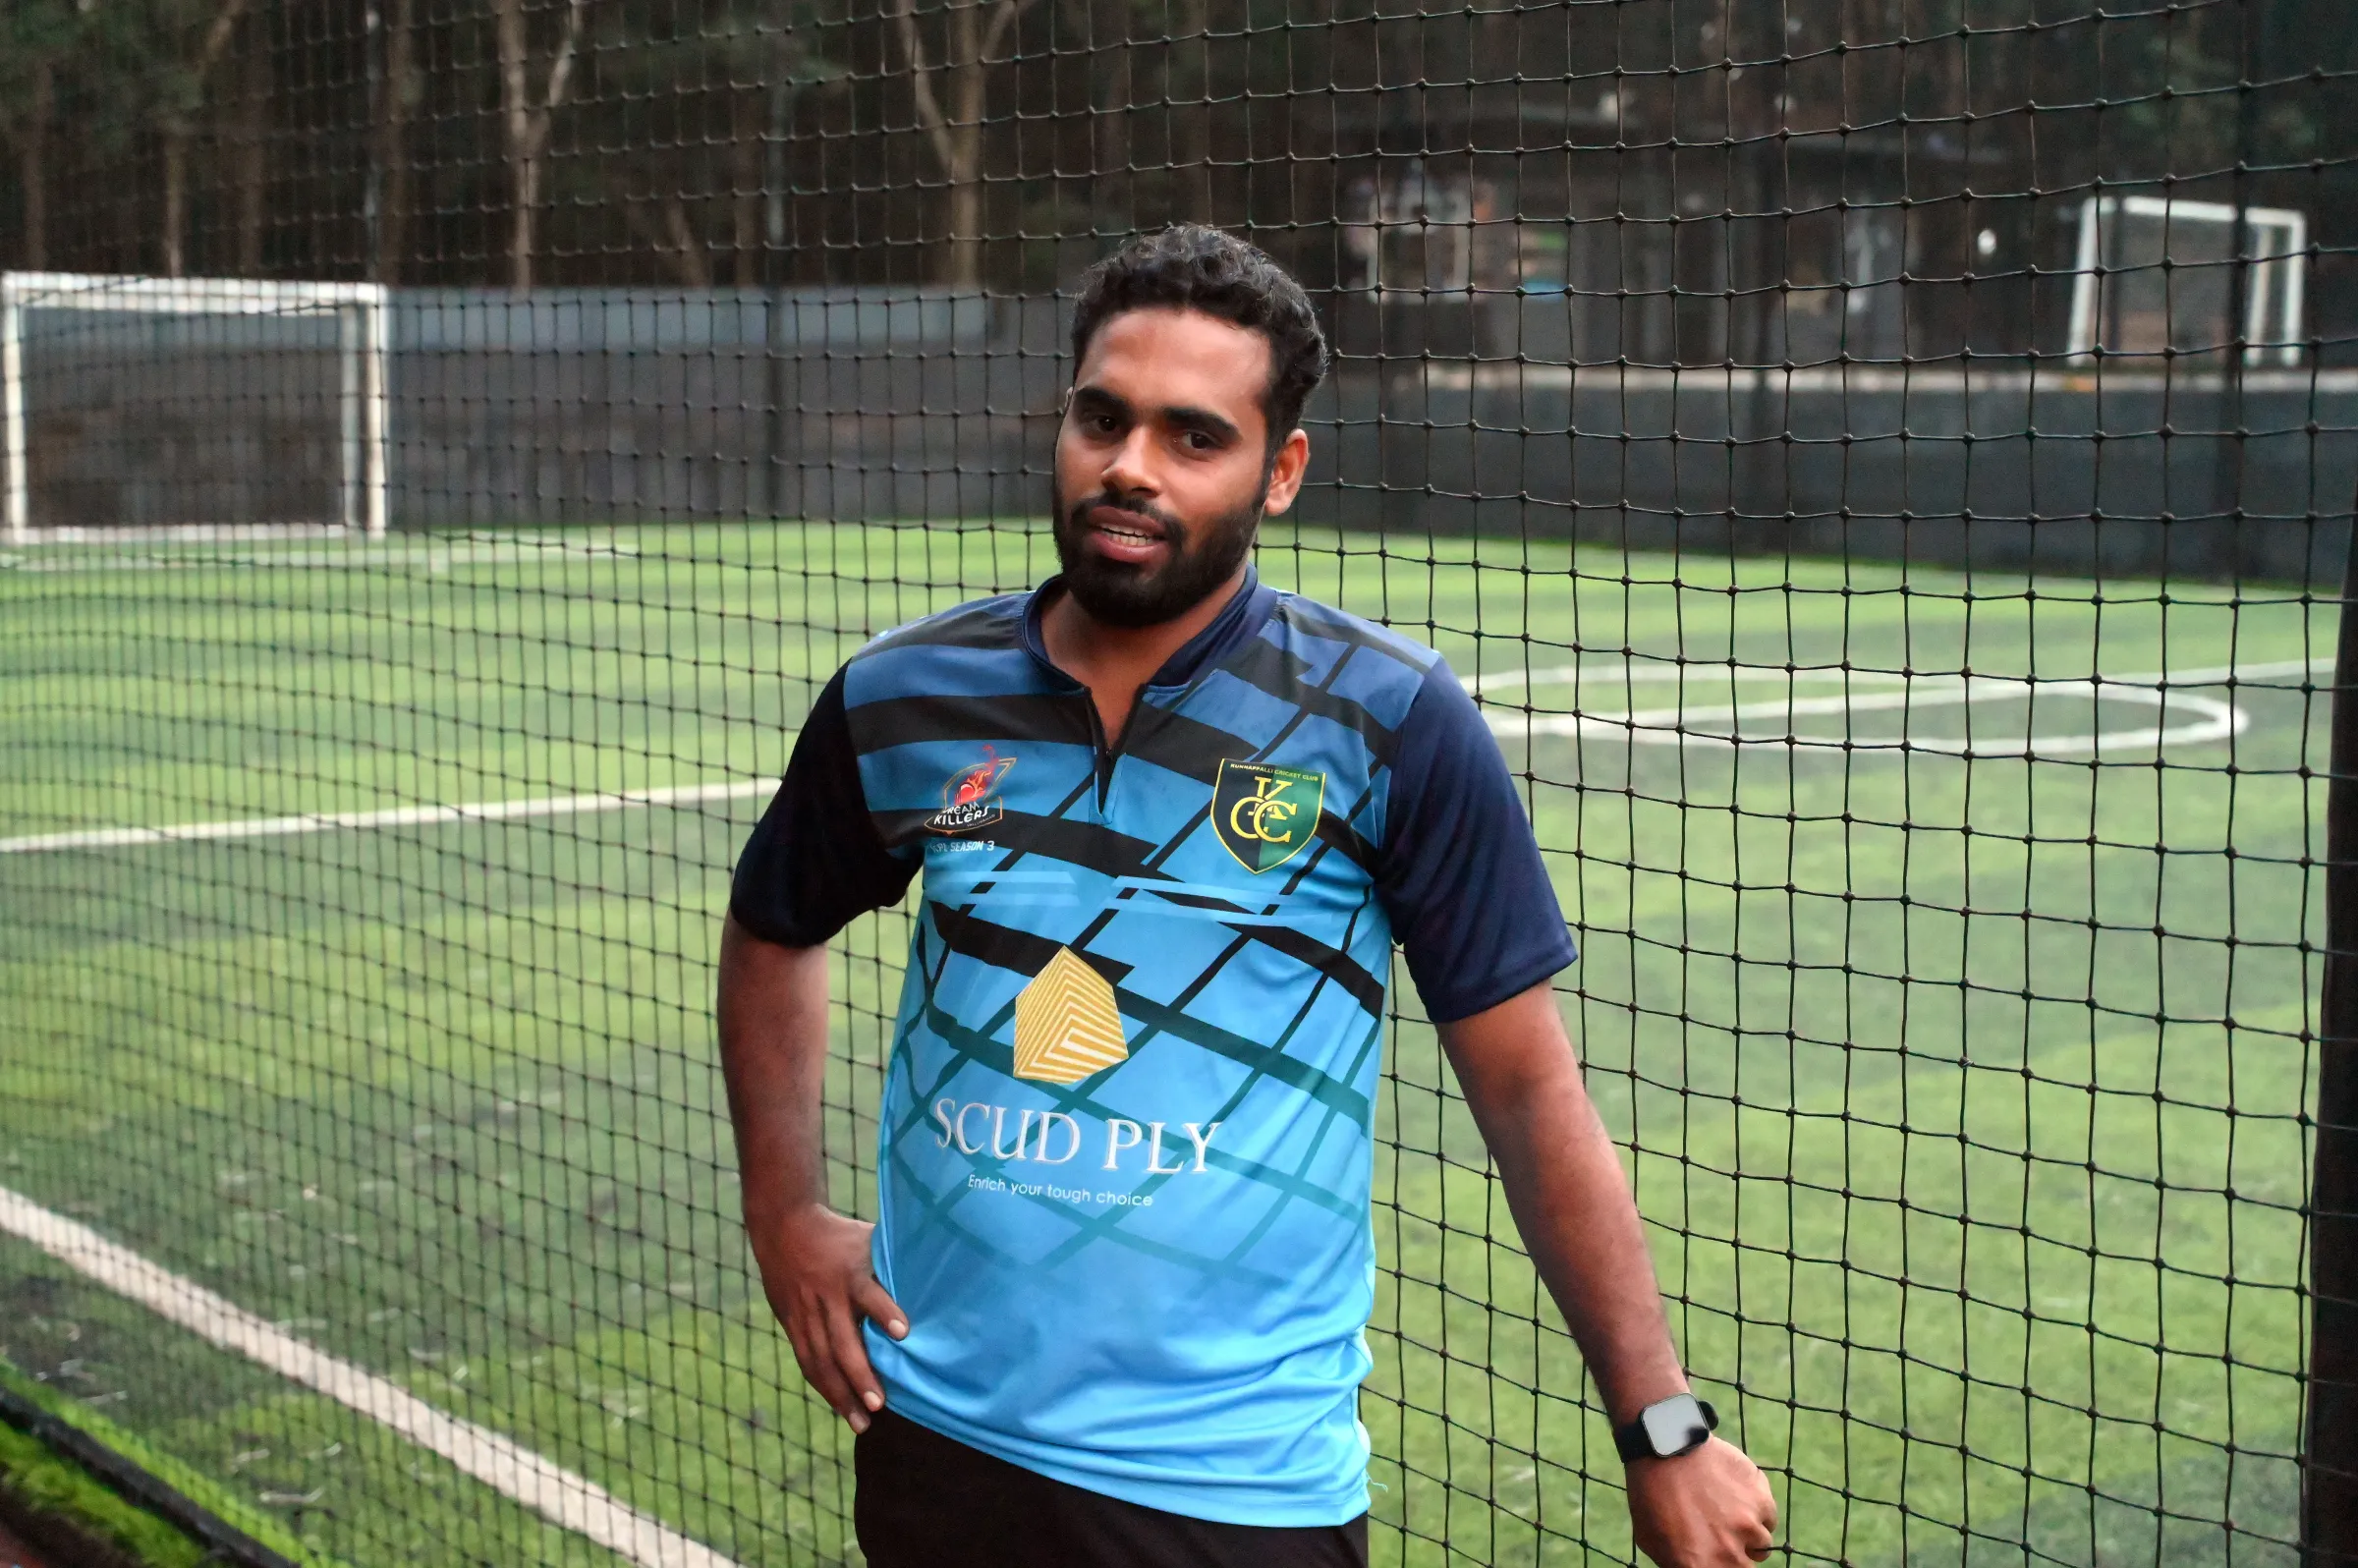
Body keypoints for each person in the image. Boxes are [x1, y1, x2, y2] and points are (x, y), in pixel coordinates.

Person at [717, 224, 1777, 1568]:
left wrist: (1661, 1428)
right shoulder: (903, 697)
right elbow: (773, 927)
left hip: (1234, 1496)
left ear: (1281, 473)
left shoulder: (1392, 723)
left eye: (1191, 436)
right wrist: (785, 1212)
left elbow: (1525, 1090)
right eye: (1102, 418)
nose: (1130, 467)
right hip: (939, 1448)